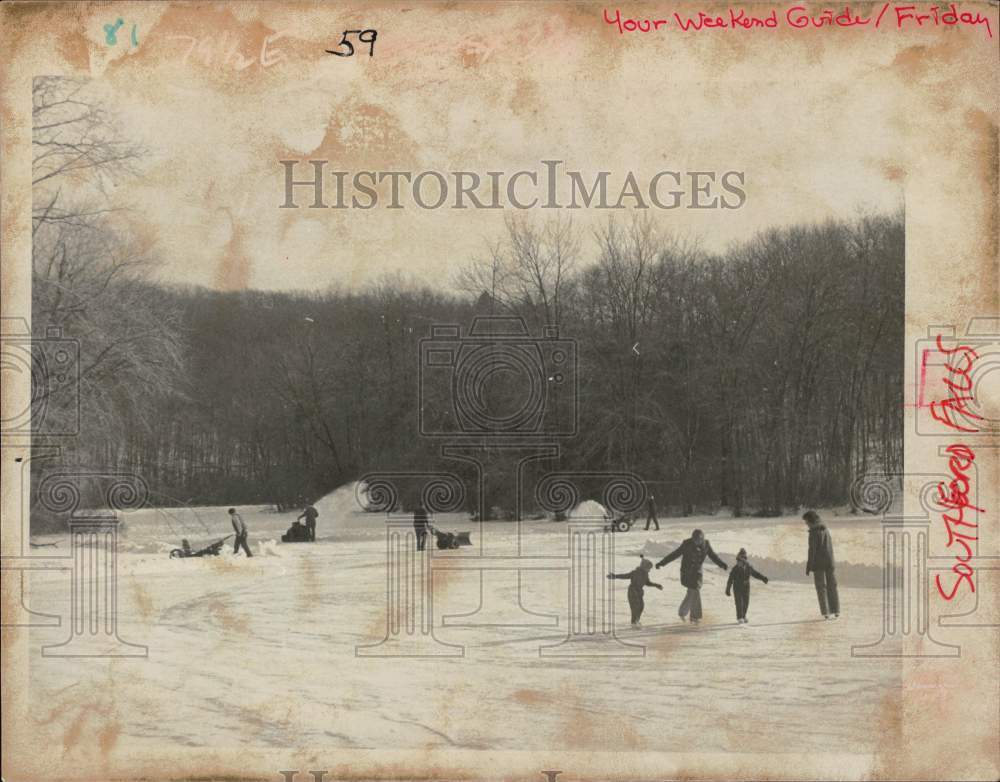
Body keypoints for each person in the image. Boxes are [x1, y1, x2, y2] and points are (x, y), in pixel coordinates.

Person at [655, 528, 727, 624]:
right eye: (694, 540)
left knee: (692, 592)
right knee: (694, 591)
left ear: (702, 539)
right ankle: (694, 617)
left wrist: (722, 564)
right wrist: (661, 563)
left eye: (698, 540)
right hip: (687, 573)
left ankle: (682, 612)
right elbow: (675, 554)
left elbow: (713, 556)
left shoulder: (706, 544)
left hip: (697, 573)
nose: (696, 542)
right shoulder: (686, 544)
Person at [608, 557, 663, 628]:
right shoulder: (635, 572)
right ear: (644, 567)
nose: (649, 570)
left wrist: (656, 585)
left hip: (639, 592)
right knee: (635, 608)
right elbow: (625, 576)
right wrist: (615, 576)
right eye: (648, 568)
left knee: (641, 606)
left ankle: (636, 620)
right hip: (632, 592)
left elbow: (647, 583)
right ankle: (633, 622)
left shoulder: (645, 574)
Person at [804, 510, 839, 619]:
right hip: (829, 561)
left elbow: (812, 551)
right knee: (832, 586)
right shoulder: (826, 529)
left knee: (821, 587)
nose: (806, 524)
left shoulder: (814, 532)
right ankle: (836, 610)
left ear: (811, 520)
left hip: (819, 564)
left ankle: (826, 612)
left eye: (806, 522)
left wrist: (809, 566)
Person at [725, 548, 768, 624]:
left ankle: (743, 616)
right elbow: (730, 579)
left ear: (744, 561)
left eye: (740, 561)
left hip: (746, 587)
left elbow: (755, 574)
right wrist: (728, 589)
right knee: (739, 602)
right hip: (737, 587)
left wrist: (763, 578)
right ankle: (740, 617)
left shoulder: (748, 567)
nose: (738, 562)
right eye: (737, 561)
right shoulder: (735, 569)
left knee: (746, 602)